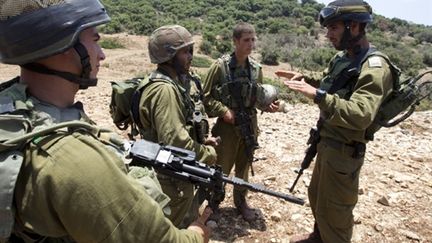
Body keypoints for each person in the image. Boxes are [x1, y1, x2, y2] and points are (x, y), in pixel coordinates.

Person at [0, 1, 211, 242]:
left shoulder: (12, 111)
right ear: (63, 45)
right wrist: (197, 233)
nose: (102, 54)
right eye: (96, 40)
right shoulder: (77, 162)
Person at [276, 1, 394, 242]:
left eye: (334, 28)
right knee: (317, 197)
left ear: (354, 27)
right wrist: (306, 80)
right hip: (326, 143)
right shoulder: (343, 58)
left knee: (336, 212)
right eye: (328, 28)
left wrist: (318, 96)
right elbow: (332, 83)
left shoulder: (374, 66)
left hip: (344, 151)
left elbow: (361, 114)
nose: (328, 35)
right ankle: (318, 236)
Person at [135, 24, 218, 228]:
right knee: (174, 229)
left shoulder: (170, 82)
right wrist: (208, 153)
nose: (190, 56)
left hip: (169, 171)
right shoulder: (164, 90)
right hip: (168, 179)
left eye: (191, 50)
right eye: (185, 52)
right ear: (169, 56)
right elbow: (176, 141)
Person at [202, 22, 279, 222]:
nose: (251, 44)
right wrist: (224, 111)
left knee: (244, 167)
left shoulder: (256, 68)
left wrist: (267, 106)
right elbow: (206, 97)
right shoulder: (219, 67)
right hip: (227, 128)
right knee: (221, 167)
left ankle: (241, 202)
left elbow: (258, 96)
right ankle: (214, 203)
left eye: (253, 39)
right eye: (246, 40)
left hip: (249, 125)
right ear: (235, 41)